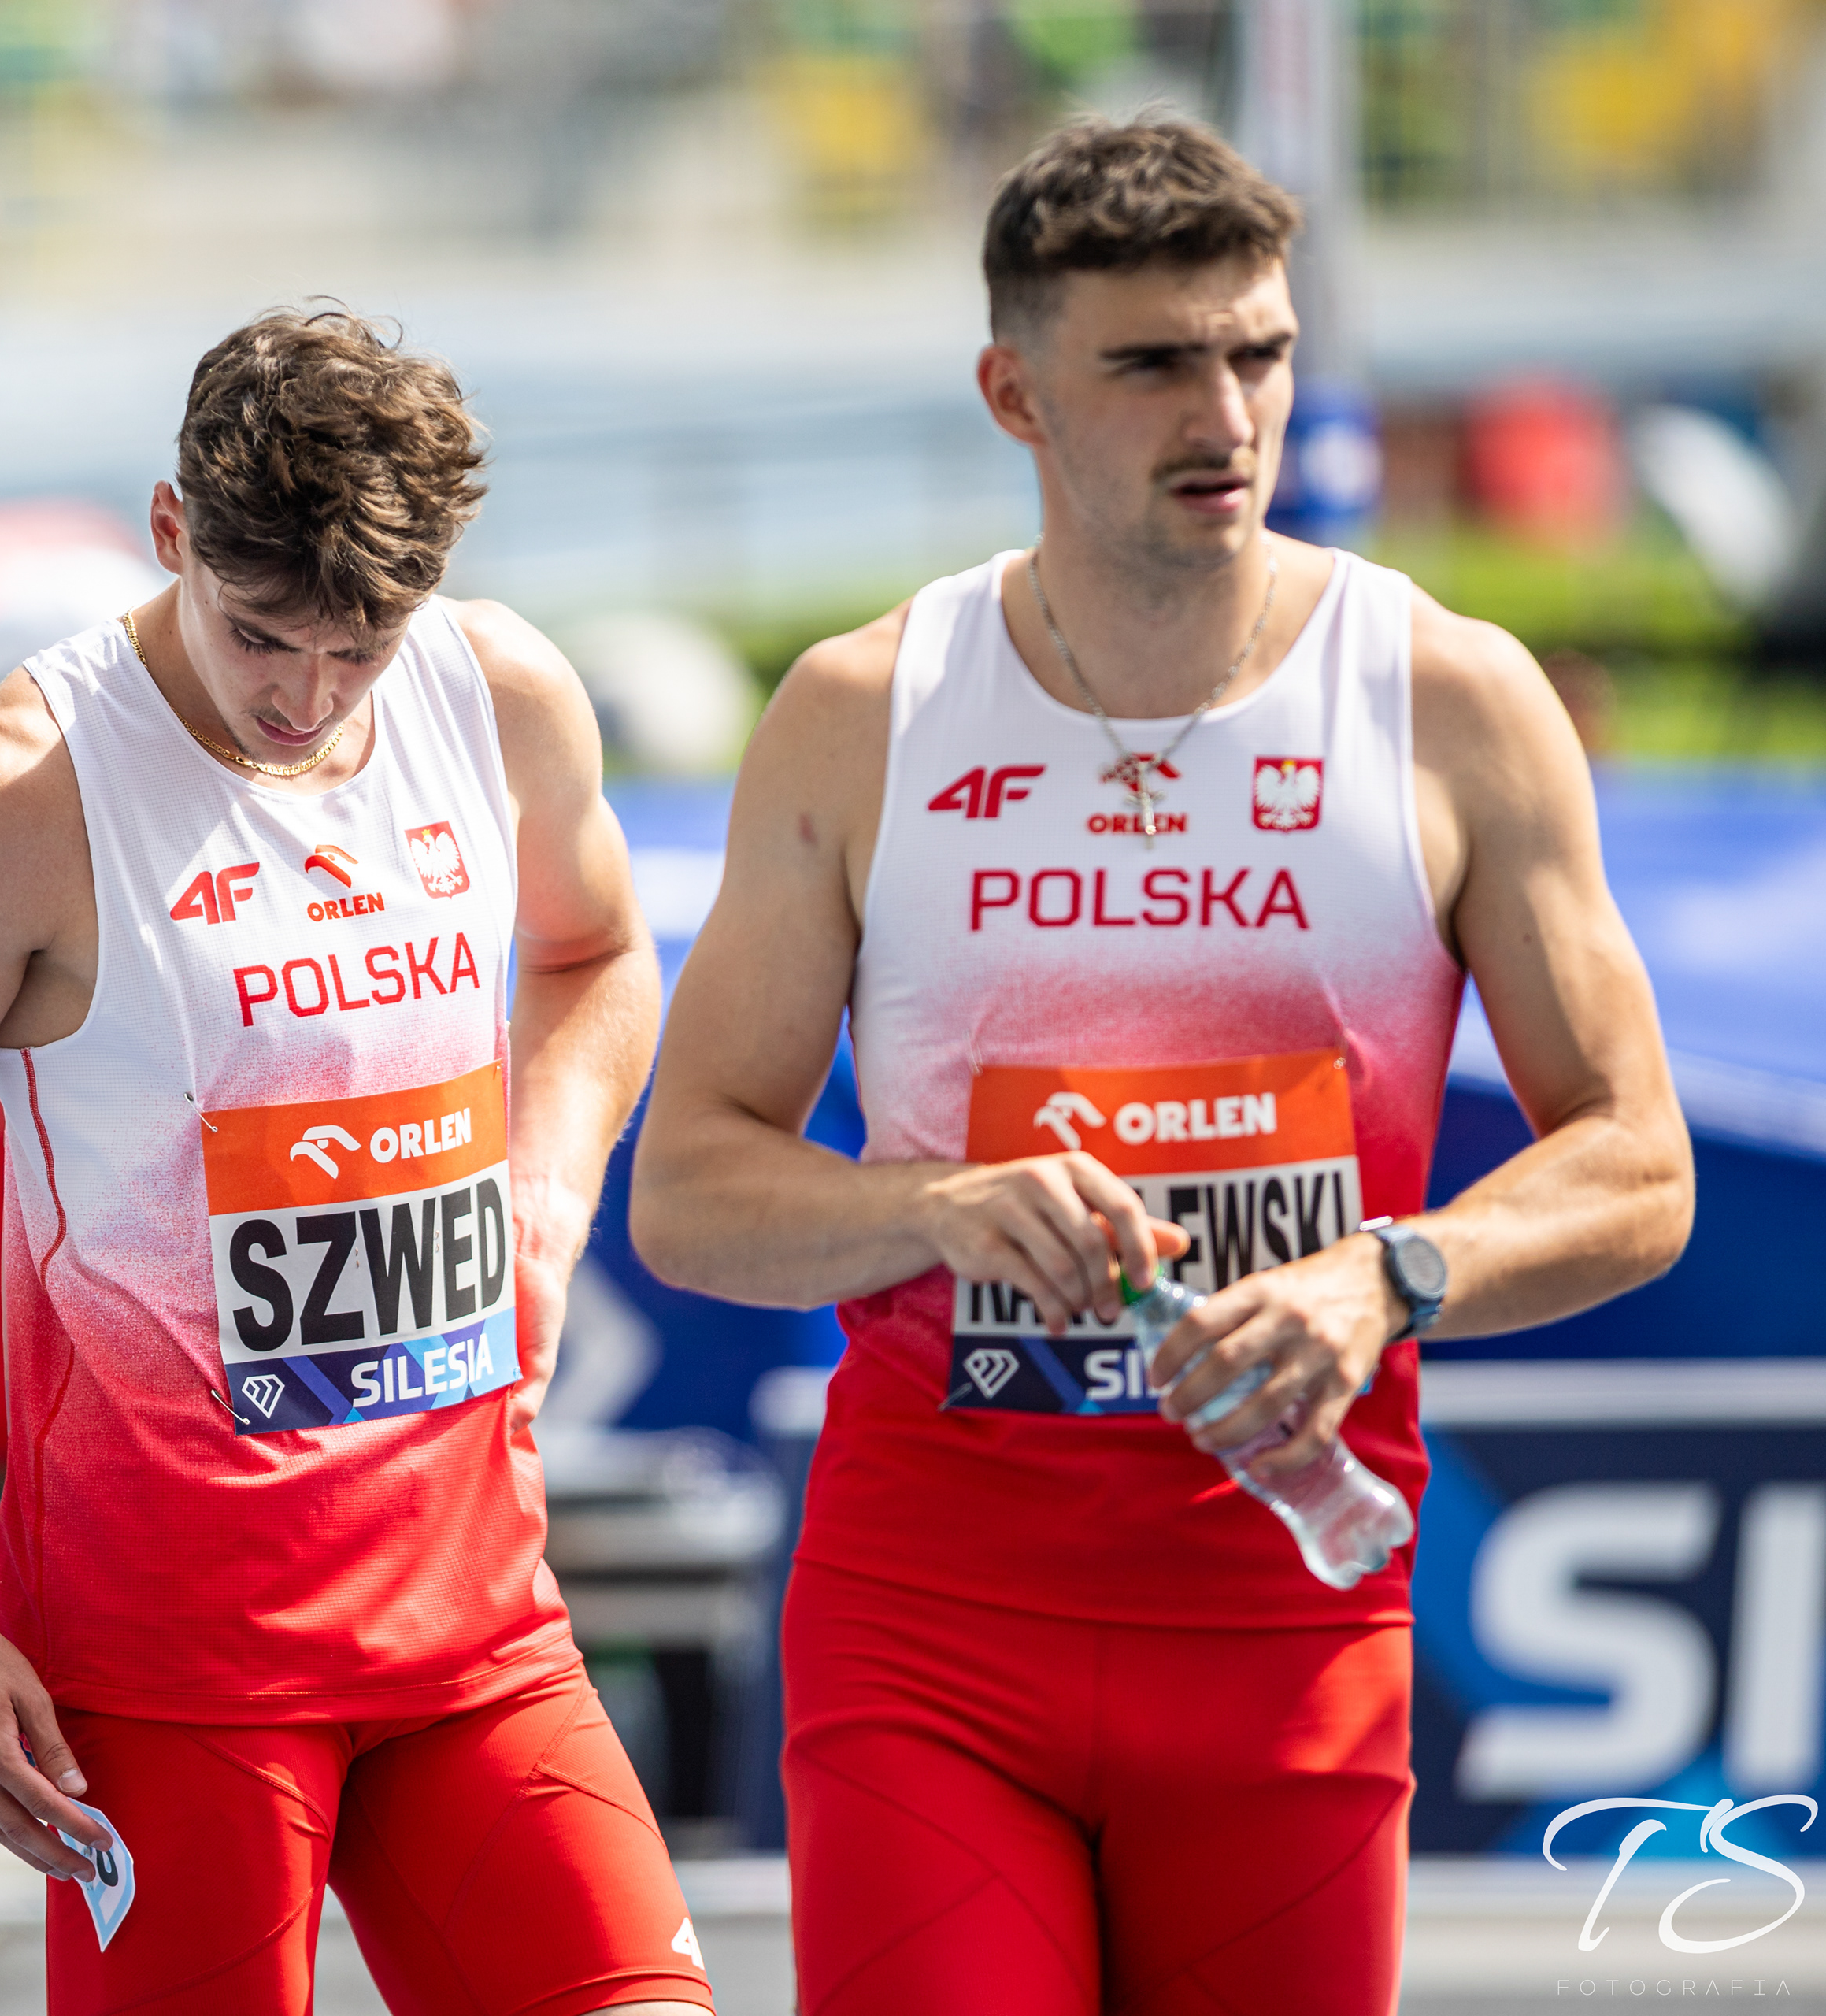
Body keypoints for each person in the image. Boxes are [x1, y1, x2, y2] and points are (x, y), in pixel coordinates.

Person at [630, 119, 1692, 2016]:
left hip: (1287, 1619)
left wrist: (1390, 1272)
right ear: (1013, 392)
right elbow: (691, 1190)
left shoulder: (1449, 699)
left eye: (1258, 352)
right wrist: (936, 1205)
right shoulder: (866, 712)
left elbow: (1641, 1163)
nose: (1226, 414)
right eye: (1152, 362)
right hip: (935, 1628)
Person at [0, 309, 709, 2016]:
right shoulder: (10, 796)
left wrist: (548, 1199)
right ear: (170, 529)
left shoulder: (496, 692)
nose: (306, 697)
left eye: (361, 647)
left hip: (475, 1621)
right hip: (167, 1676)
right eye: (261, 634)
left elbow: (600, 951)